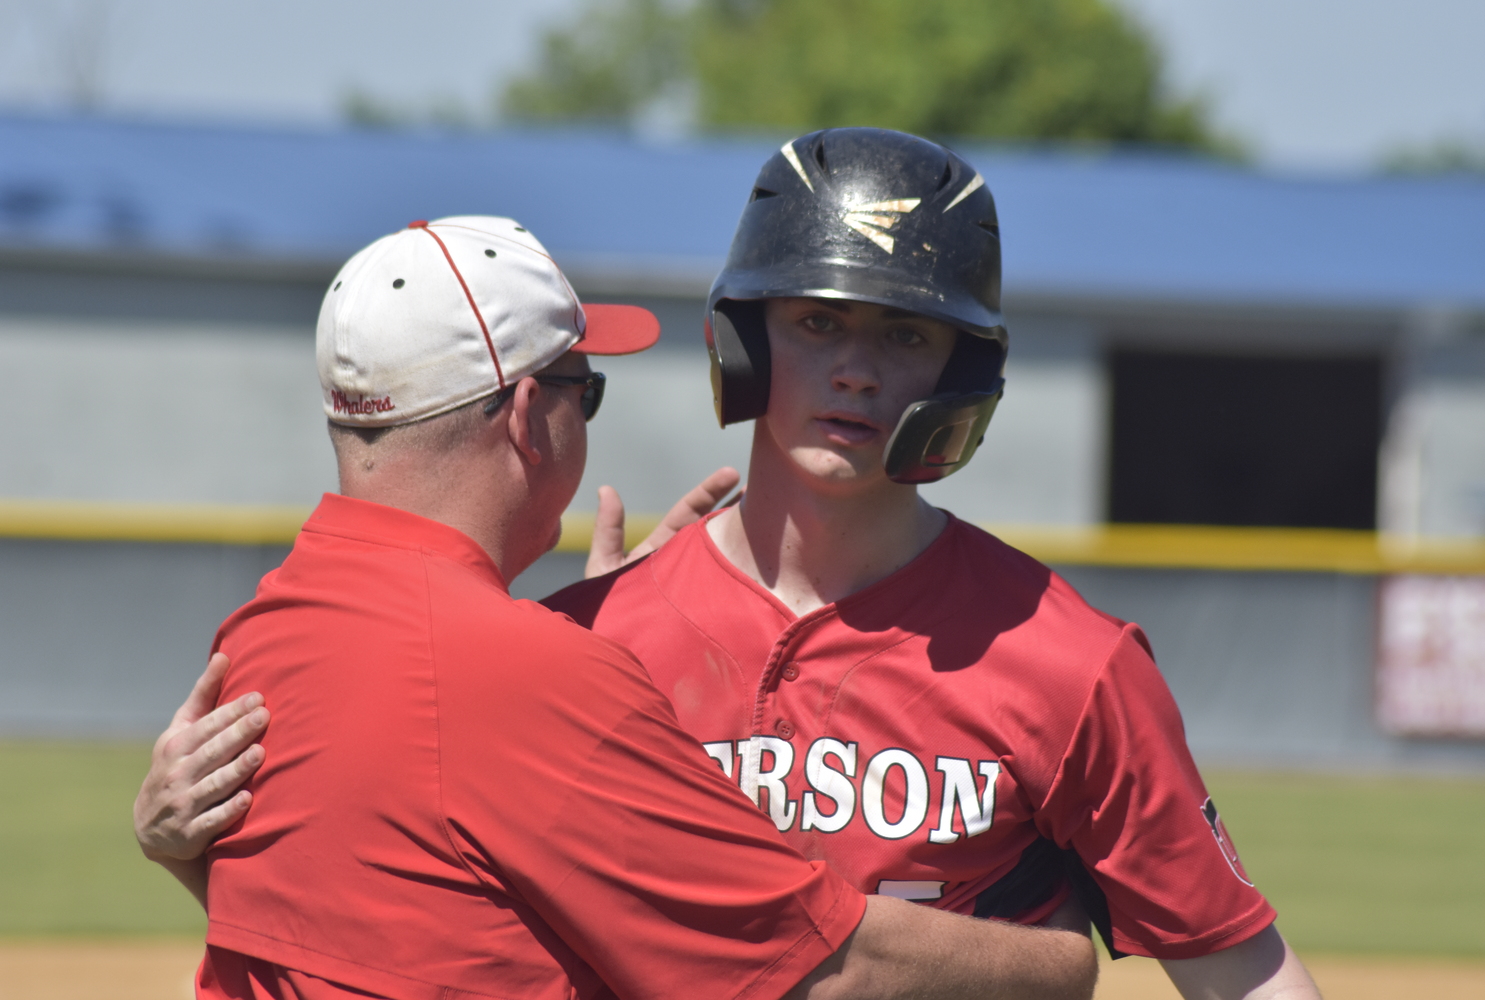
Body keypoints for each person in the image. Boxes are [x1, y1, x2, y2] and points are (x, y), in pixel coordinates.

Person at [141, 129, 1324, 999]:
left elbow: (1243, 972)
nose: (857, 370)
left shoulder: (1070, 663)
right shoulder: (582, 647)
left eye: (904, 333)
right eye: (818, 322)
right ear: (747, 343)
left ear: (958, 374)